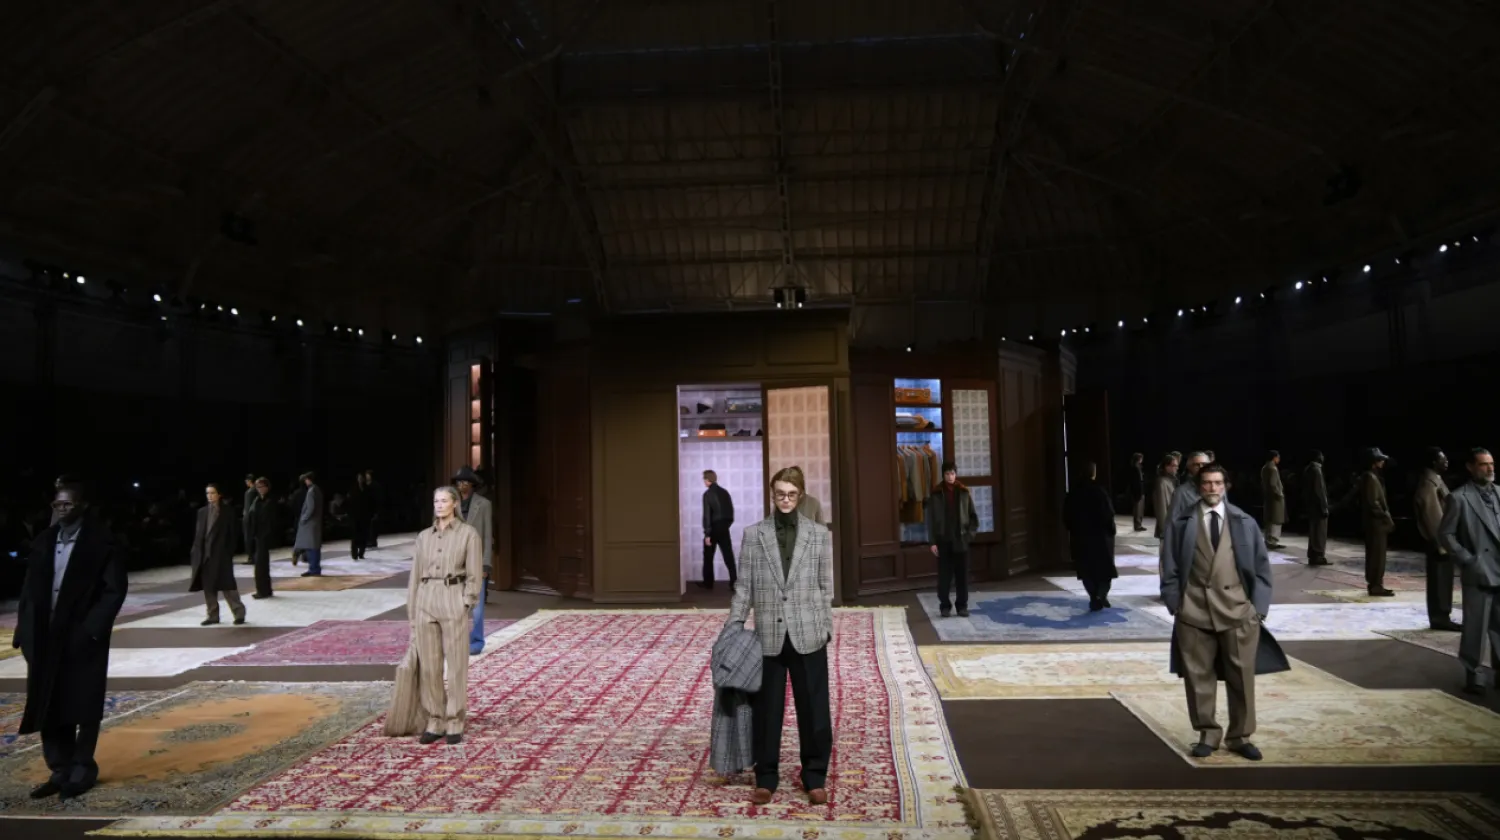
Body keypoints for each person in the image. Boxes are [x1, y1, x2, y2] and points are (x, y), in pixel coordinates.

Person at [1159, 464, 1287, 761]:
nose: (1212, 489)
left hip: (1238, 611)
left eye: (1218, 483)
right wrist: (1174, 603)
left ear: (1226, 486)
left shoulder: (1244, 522)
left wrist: (1259, 609)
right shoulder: (1181, 522)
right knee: (1198, 676)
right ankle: (1208, 733)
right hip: (1193, 610)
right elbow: (1170, 567)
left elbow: (1261, 567)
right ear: (1198, 487)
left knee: (1242, 677)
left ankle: (1240, 736)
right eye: (1206, 483)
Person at [727, 466, 834, 806]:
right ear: (772, 495)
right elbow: (743, 587)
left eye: (791, 494)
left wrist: (826, 626)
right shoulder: (754, 534)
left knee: (815, 709)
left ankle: (814, 776)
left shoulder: (818, 535)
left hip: (808, 633)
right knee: (766, 711)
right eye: (779, 494)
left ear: (800, 495)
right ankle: (766, 777)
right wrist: (734, 624)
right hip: (769, 635)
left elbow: (824, 586)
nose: (785, 500)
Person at [13, 483, 127, 800]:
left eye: (69, 504)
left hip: (80, 637)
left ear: (82, 506)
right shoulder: (44, 541)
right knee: (49, 704)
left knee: (84, 704)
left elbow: (113, 590)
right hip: (44, 636)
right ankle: (59, 770)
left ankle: (82, 769)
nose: (63, 509)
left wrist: (91, 630)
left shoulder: (102, 543)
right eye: (58, 505)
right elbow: (28, 591)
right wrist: (23, 631)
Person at [408, 485, 484, 743]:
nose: (438, 505)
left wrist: (466, 602)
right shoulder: (423, 537)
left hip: (453, 597)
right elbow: (414, 577)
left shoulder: (468, 535)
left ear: (454, 504)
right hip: (426, 599)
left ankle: (455, 720)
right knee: (429, 667)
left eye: (443, 501)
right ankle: (435, 719)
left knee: (456, 665)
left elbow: (475, 575)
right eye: (435, 501)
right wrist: (412, 610)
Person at [1438, 448, 1500, 695]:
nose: (1490, 468)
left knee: (1499, 626)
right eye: (1484, 464)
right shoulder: (1459, 497)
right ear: (1471, 467)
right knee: (1475, 627)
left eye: (1492, 463)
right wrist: (1468, 559)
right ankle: (1474, 674)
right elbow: (1445, 534)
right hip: (1479, 570)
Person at [926, 461, 979, 618]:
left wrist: (969, 536)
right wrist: (932, 542)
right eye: (948, 473)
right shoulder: (936, 493)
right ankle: (945, 606)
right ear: (943, 475)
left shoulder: (963, 492)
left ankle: (962, 606)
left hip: (961, 539)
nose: (950, 476)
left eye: (953, 473)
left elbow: (973, 518)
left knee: (962, 576)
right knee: (944, 577)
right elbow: (930, 520)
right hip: (943, 539)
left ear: (956, 474)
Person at [1415, 448, 1460, 631]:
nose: (1446, 461)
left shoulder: (1435, 480)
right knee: (1439, 579)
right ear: (1434, 462)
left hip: (1443, 539)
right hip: (1439, 541)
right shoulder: (1429, 483)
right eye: (1443, 459)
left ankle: (1442, 615)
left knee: (1443, 578)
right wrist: (1440, 543)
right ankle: (1440, 616)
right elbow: (1431, 515)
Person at [1064, 461, 1118, 610]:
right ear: (1094, 473)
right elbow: (1108, 514)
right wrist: (1111, 531)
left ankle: (1094, 596)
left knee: (1086, 569)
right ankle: (1101, 594)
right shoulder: (1099, 491)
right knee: (1104, 569)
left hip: (1081, 537)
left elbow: (1067, 517)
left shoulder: (1073, 493)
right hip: (1100, 537)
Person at [452, 466, 494, 655]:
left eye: (465, 482)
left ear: (472, 484)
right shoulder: (452, 504)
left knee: (476, 605)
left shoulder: (484, 505)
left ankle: (476, 641)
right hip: (455, 560)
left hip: (476, 559)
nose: (462, 485)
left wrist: (486, 563)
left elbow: (487, 536)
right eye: (459, 482)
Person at [190, 483, 246, 626]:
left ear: (219, 494)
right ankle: (212, 615)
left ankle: (239, 613)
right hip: (205, 554)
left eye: (212, 493)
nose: (210, 496)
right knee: (208, 586)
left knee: (228, 585)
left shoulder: (228, 511)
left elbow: (233, 534)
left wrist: (229, 551)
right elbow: (199, 534)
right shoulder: (202, 512)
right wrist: (196, 552)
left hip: (222, 554)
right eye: (208, 493)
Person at [1357, 448, 1396, 596]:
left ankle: (1376, 583)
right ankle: (1375, 584)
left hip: (1376, 523)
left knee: (1377, 554)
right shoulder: (1370, 478)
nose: (1383, 462)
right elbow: (1374, 503)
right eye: (1380, 459)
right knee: (1376, 555)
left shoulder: (1372, 477)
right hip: (1376, 524)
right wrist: (1386, 518)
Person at [701, 469, 736, 590]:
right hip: (724, 527)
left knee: (708, 555)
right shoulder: (725, 492)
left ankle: (708, 583)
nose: (703, 482)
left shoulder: (707, 494)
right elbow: (731, 513)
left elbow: (707, 515)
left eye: (704, 479)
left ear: (707, 480)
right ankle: (734, 582)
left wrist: (707, 534)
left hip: (713, 527)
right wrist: (726, 525)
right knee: (728, 555)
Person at [246, 477, 276, 599]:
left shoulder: (270, 501)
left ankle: (263, 590)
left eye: (262, 486)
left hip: (264, 536)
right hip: (257, 535)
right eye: (258, 487)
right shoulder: (257, 500)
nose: (260, 489)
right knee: (260, 564)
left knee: (261, 564)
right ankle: (265, 589)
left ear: (267, 487)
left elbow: (272, 520)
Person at [294, 471, 324, 577]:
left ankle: (314, 569)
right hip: (315, 522)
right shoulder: (317, 489)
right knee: (314, 546)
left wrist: (304, 518)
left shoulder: (311, 491)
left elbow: (311, 507)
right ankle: (314, 568)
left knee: (311, 547)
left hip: (310, 523)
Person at [1303, 451, 1330, 566]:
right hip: (1318, 506)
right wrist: (1324, 507)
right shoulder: (1316, 470)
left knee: (1314, 531)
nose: (1323, 457)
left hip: (1311, 505)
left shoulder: (1308, 469)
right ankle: (1318, 555)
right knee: (1320, 531)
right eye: (1322, 455)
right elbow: (1320, 491)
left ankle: (1312, 555)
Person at [1260, 451, 1285, 549]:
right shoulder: (1272, 468)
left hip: (1268, 497)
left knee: (1269, 519)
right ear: (1274, 458)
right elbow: (1273, 484)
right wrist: (1280, 494)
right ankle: (1272, 541)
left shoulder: (1264, 467)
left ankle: (1268, 540)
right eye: (1278, 457)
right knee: (1276, 519)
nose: (1279, 460)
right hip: (1275, 499)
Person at [1151, 454, 1179, 539]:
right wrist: (1165, 529)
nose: (1176, 468)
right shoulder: (1162, 482)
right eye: (1173, 465)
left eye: (1177, 466)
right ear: (1166, 466)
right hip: (1168, 527)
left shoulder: (1170, 480)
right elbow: (1161, 507)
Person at [348, 472, 373, 560]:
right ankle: (354, 553)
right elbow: (350, 503)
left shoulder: (368, 489)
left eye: (362, 478)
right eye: (359, 478)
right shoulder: (353, 489)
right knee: (355, 535)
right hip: (355, 516)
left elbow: (371, 503)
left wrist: (371, 514)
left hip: (365, 516)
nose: (360, 479)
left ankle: (361, 553)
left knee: (364, 535)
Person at [1127, 452, 1147, 532]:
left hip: (1140, 491)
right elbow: (1135, 482)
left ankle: (1139, 524)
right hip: (1137, 492)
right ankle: (1137, 525)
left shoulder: (1138, 467)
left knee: (1140, 509)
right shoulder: (1134, 468)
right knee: (1137, 510)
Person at [241, 473, 257, 559]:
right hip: (255, 517)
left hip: (249, 518)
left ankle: (251, 556)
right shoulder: (257, 491)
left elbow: (247, 507)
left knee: (248, 536)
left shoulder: (249, 492)